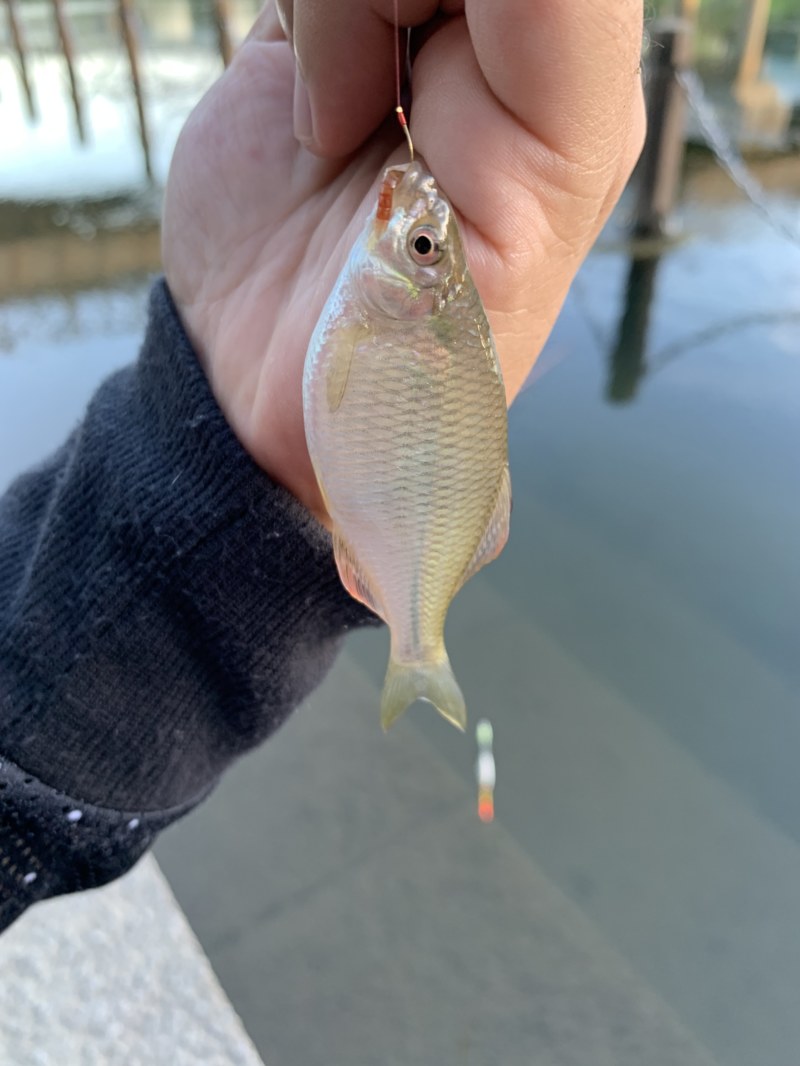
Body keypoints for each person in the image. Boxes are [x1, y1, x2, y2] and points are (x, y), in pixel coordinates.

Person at [0, 0, 645, 930]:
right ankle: (419, 648)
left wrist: (206, 436)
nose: (414, 238)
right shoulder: (393, 306)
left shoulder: (384, 308)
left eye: (422, 249)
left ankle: (418, 648)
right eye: (429, 250)